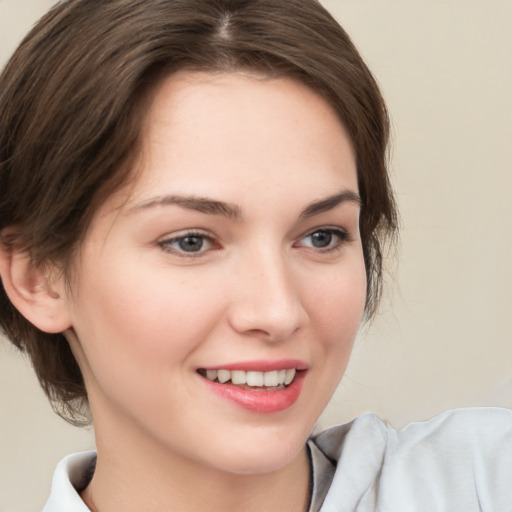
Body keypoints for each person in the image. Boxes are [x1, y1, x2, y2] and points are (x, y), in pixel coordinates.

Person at [0, 1, 511, 511]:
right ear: (38, 277)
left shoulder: (484, 481)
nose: (277, 312)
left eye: (321, 237)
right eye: (191, 241)